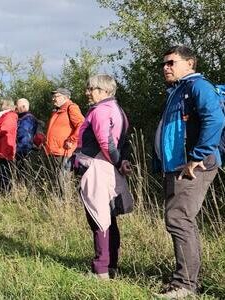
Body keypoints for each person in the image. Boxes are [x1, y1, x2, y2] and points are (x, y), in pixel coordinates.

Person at [154, 46, 225, 298]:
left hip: (193, 166)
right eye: (164, 64)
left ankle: (185, 285)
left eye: (171, 62)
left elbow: (215, 120)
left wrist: (196, 157)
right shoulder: (179, 90)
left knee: (178, 219)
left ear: (190, 63)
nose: (166, 67)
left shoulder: (197, 86)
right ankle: (187, 280)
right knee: (180, 219)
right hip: (178, 165)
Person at [74, 74, 133, 280]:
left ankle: (101, 270)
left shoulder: (100, 111)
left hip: (97, 168)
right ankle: (111, 265)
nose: (87, 92)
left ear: (105, 91)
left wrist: (117, 161)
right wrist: (122, 161)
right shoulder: (118, 110)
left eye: (91, 89)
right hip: (108, 167)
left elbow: (106, 143)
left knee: (99, 219)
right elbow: (123, 142)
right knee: (108, 217)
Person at [45, 88, 84, 197]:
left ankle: (66, 204)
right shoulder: (58, 110)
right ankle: (60, 203)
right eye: (53, 97)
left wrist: (71, 140)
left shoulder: (71, 108)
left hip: (64, 150)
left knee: (62, 178)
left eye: (56, 96)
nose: (53, 99)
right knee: (57, 177)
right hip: (55, 150)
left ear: (65, 97)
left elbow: (82, 125)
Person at [0, 99, 18, 194]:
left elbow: (3, 129)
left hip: (4, 148)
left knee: (5, 173)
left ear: (8, 105)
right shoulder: (4, 116)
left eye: (2, 104)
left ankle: (4, 194)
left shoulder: (10, 116)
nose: (0, 105)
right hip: (1, 148)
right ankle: (1, 193)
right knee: (1, 172)